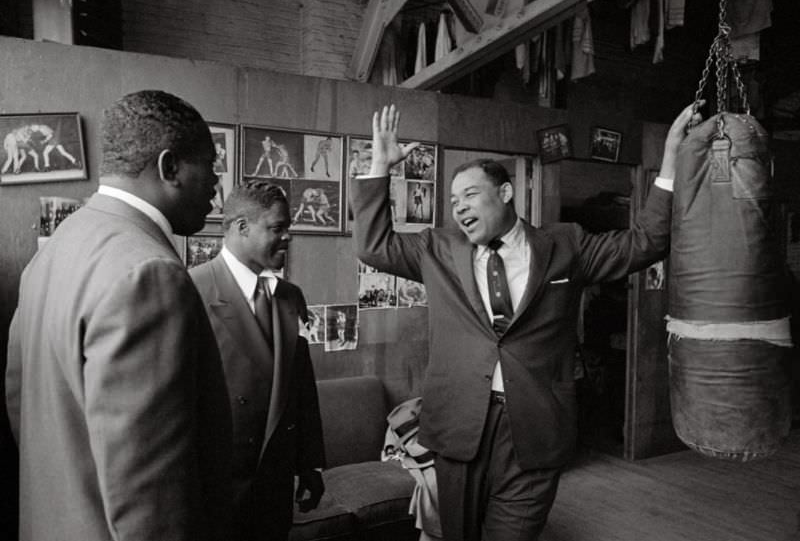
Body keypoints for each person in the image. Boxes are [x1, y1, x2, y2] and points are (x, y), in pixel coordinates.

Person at [350, 102, 703, 541]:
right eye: (454, 200)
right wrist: (379, 167)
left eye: (471, 195)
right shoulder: (436, 249)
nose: (459, 208)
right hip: (459, 427)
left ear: (505, 193)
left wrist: (670, 159)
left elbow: (646, 242)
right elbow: (373, 246)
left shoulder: (565, 246)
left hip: (535, 428)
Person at [5, 90, 233, 541]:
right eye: (211, 165)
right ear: (170, 168)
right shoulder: (149, 273)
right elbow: (151, 497)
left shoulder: (58, 248)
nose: (216, 185)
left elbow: (18, 398)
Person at [190, 181, 325, 541]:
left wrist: (309, 463)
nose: (287, 238)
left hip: (273, 487)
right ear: (241, 228)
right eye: (277, 228)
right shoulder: (192, 291)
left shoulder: (289, 296)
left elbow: (300, 388)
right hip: (216, 489)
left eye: (288, 228)